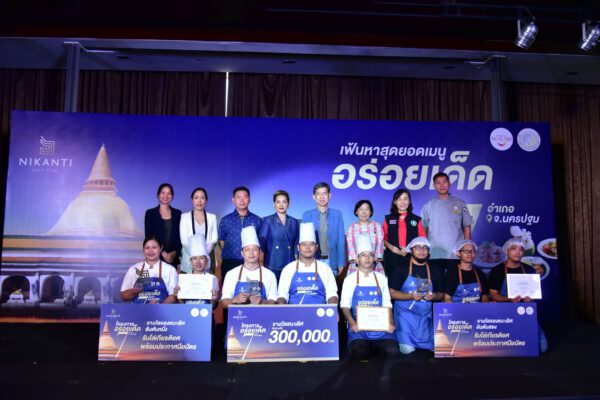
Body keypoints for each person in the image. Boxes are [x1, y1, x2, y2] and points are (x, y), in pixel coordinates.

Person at [341, 234, 397, 360]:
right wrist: (352, 323)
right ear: (357, 259)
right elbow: (344, 305)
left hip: (380, 328)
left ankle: (373, 346)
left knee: (392, 351)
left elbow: (387, 303)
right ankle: (368, 347)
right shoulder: (349, 279)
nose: (367, 258)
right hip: (359, 327)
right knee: (358, 352)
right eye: (363, 255)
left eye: (370, 255)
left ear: (374, 259)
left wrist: (391, 322)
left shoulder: (382, 278)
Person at [488, 238, 548, 353]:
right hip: (504, 311)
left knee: (542, 347)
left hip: (525, 309)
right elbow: (494, 295)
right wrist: (509, 299)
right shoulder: (497, 270)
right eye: (513, 248)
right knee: (504, 346)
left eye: (521, 249)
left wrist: (532, 298)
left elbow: (535, 292)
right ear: (507, 251)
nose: (518, 252)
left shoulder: (529, 269)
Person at [389, 237, 444, 354]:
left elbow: (441, 295)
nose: (422, 250)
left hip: (425, 317)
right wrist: (410, 296)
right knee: (407, 350)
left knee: (434, 348)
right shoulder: (400, 269)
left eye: (425, 248)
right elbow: (392, 293)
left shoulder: (435, 270)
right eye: (418, 247)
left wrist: (434, 296)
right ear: (411, 250)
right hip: (405, 316)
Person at [277, 222, 338, 305]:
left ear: (316, 247)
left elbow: (332, 294)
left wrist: (332, 308)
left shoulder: (325, 269)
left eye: (311, 244)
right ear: (298, 247)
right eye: (304, 244)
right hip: (294, 312)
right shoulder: (288, 269)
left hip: (319, 312)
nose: (308, 248)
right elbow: (282, 295)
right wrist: (282, 308)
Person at [421, 172, 473, 269]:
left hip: (455, 254)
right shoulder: (428, 206)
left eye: (444, 182)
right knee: (435, 279)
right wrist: (424, 251)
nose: (442, 185)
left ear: (449, 183)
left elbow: (467, 228)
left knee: (455, 279)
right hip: (434, 254)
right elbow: (423, 230)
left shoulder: (460, 203)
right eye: (438, 183)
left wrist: (467, 250)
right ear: (434, 186)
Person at [220, 226, 278, 307]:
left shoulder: (270, 275)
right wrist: (235, 299)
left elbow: (273, 302)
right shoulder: (231, 274)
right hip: (238, 315)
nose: (251, 253)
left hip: (262, 315)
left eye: (255, 249)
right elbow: (224, 303)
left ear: (259, 252)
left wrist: (262, 302)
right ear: (242, 253)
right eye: (247, 250)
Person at [302, 182, 346, 277]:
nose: (322, 197)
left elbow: (341, 240)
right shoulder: (307, 215)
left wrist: (341, 262)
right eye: (318, 194)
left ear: (329, 195)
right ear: (314, 197)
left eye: (324, 193)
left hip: (332, 261)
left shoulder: (337, 214)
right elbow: (303, 241)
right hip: (313, 260)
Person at [218, 186, 262, 279]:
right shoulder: (225, 220)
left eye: (245, 197)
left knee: (251, 287)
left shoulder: (257, 220)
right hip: (230, 262)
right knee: (229, 287)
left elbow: (260, 242)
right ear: (233, 200)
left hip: (251, 263)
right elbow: (221, 240)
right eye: (238, 197)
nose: (242, 200)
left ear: (249, 199)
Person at [120, 236, 178, 304]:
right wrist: (134, 291)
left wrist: (160, 306)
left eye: (154, 247)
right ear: (143, 249)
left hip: (161, 310)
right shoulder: (134, 269)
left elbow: (173, 296)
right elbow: (123, 296)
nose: (150, 251)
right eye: (147, 248)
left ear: (161, 248)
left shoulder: (170, 269)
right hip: (138, 310)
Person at [383, 189, 427, 276]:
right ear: (395, 202)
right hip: (392, 257)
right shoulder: (388, 218)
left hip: (411, 258)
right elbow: (383, 238)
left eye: (405, 199)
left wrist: (409, 248)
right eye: (399, 199)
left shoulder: (416, 219)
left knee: (410, 282)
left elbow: (422, 239)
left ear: (409, 201)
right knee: (393, 282)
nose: (402, 202)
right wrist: (391, 247)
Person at [258, 190, 300, 280]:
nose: (281, 205)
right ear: (274, 204)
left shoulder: (294, 222)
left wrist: (297, 261)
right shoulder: (267, 221)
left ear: (288, 204)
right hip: (272, 263)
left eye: (284, 202)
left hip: (290, 263)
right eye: (278, 202)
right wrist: (261, 263)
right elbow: (262, 244)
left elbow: (296, 243)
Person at [180, 187, 218, 274]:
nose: (199, 201)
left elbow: (214, 239)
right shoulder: (184, 217)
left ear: (206, 200)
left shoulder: (212, 217)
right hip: (188, 259)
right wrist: (195, 256)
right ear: (192, 200)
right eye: (196, 197)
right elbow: (184, 241)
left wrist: (203, 256)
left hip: (206, 260)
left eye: (202, 198)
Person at [175, 234, 219, 308]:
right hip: (187, 313)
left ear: (207, 260)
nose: (198, 262)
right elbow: (182, 306)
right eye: (195, 258)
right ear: (190, 261)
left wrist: (213, 298)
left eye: (201, 258)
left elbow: (213, 307)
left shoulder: (213, 279)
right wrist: (178, 296)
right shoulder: (183, 280)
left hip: (205, 313)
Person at [144, 183, 182, 266]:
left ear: (172, 196)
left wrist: (174, 253)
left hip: (173, 259)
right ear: (158, 195)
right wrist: (163, 253)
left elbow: (179, 237)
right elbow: (149, 236)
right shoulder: (150, 213)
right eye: (163, 192)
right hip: (155, 257)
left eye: (169, 193)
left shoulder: (178, 214)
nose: (166, 196)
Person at [346, 199, 384, 275]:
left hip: (374, 264)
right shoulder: (351, 228)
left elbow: (380, 244)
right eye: (361, 209)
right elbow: (350, 247)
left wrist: (374, 259)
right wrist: (357, 260)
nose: (364, 212)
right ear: (356, 212)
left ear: (370, 212)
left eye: (367, 209)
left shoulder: (377, 226)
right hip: (356, 265)